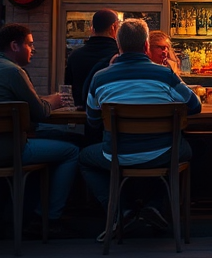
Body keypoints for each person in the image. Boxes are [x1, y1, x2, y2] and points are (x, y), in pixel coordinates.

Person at [79, 19, 202, 240]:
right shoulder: (165, 75)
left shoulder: (100, 78)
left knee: (85, 157)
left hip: (117, 154)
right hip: (161, 152)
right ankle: (154, 206)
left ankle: (121, 211)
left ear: (119, 46)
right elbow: (195, 106)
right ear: (146, 46)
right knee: (182, 148)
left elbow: (93, 120)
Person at [0, 23, 80, 237]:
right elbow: (39, 112)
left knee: (54, 136)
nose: (33, 49)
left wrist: (45, 101)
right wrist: (56, 102)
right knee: (71, 150)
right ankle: (47, 218)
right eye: (30, 44)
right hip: (9, 150)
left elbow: (26, 104)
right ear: (14, 45)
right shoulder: (13, 72)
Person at [65, 9, 119, 107]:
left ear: (92, 28)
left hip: (82, 116)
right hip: (112, 116)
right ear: (113, 27)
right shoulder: (118, 55)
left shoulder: (75, 56)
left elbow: (68, 88)